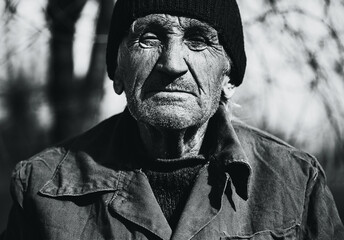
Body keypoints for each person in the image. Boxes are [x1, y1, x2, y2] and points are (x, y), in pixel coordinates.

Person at [2, 0, 344, 239]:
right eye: (148, 38)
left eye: (197, 40)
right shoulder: (41, 188)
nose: (172, 63)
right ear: (118, 71)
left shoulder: (296, 184)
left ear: (228, 77)